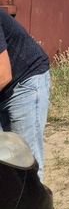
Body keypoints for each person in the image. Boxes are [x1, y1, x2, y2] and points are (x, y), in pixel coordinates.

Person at [0, 10, 51, 182]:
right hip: (4, 87)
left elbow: (3, 75)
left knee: (25, 160)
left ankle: (33, 198)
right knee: (4, 159)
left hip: (25, 81)